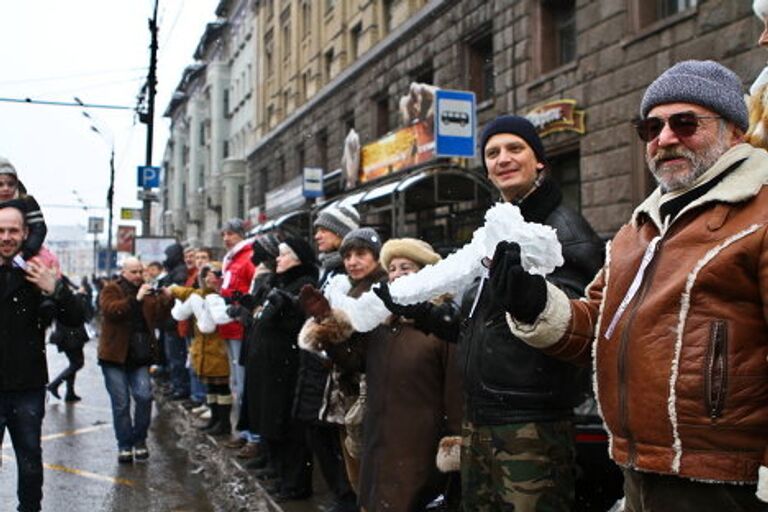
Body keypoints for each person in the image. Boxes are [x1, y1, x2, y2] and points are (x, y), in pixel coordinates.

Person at [500, 60, 768, 511]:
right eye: (651, 127)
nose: (665, 139)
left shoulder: (759, 213)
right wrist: (535, 303)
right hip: (638, 470)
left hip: (730, 483)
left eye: (685, 123)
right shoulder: (638, 228)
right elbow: (599, 325)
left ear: (734, 132)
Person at [453, 115, 604, 511]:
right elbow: (487, 317)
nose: (502, 159)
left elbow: (580, 322)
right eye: (492, 152)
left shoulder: (564, 230)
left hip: (531, 423)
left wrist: (534, 301)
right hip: (481, 416)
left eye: (514, 148)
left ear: (539, 161)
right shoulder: (499, 224)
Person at [302, 237, 464, 512]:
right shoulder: (381, 321)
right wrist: (327, 322)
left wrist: (453, 442)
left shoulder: (442, 325)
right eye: (392, 268)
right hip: (380, 437)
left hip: (419, 442)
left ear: (426, 272)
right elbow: (353, 361)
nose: (397, 274)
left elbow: (456, 393)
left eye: (406, 267)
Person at [0, 200, 84, 512]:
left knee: (30, 464)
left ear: (24, 234)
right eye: (1, 231)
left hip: (27, 386)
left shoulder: (36, 271)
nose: (6, 237)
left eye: (13, 231)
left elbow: (76, 318)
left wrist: (56, 290)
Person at [300, 227, 388, 496]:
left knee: (370, 475)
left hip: (370, 398)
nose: (352, 261)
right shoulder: (350, 290)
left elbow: (359, 358)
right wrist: (325, 326)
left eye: (361, 254)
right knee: (357, 472)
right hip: (350, 397)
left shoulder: (377, 292)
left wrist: (330, 331)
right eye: (347, 255)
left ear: (376, 257)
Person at [291, 206, 361, 512]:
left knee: (338, 439)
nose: (317, 234)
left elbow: (342, 324)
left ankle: (348, 497)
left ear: (342, 232)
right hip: (319, 367)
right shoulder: (329, 269)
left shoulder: (345, 275)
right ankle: (342, 495)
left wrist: (320, 338)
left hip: (334, 369)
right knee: (322, 436)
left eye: (325, 229)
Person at [246, 238, 318, 502]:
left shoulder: (304, 284)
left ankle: (295, 485)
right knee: (271, 422)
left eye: (284, 255)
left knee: (288, 429)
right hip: (269, 367)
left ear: (298, 259)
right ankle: (280, 476)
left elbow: (299, 324)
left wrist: (286, 308)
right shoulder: (279, 282)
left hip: (286, 368)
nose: (278, 258)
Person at [98, 257, 171, 463]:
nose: (139, 276)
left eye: (141, 271)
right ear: (124, 272)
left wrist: (166, 299)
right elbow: (112, 311)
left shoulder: (147, 291)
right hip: (114, 357)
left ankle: (140, 440)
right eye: (134, 272)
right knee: (121, 404)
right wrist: (135, 299)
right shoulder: (112, 289)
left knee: (144, 397)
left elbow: (159, 318)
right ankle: (124, 445)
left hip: (139, 356)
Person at [167, 262, 232, 436]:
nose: (209, 278)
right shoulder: (198, 294)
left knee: (222, 388)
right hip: (203, 346)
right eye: (205, 275)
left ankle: (223, 422)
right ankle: (215, 419)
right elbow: (182, 310)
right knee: (211, 387)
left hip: (220, 347)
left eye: (214, 274)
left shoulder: (224, 296)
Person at [218, 218, 258, 455]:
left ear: (241, 235)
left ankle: (248, 433)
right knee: (236, 382)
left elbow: (252, 291)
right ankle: (242, 431)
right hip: (229, 325)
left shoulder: (247, 257)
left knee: (243, 383)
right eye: (224, 234)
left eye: (230, 234)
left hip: (240, 327)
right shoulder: (232, 259)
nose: (226, 238)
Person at [47, 276, 91, 402]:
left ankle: (70, 392)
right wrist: (80, 296)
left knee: (74, 363)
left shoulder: (59, 294)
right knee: (77, 363)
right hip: (70, 335)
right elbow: (78, 312)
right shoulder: (65, 296)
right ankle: (54, 384)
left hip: (67, 335)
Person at [159, 242, 191, 400]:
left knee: (177, 357)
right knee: (174, 357)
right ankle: (177, 385)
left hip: (174, 321)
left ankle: (180, 387)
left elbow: (175, 296)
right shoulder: (175, 271)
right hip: (171, 321)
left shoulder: (179, 273)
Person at [0, 156, 47, 261]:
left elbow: (38, 229)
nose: (5, 188)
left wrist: (26, 253)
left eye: (10, 184)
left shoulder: (27, 201)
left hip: (25, 253)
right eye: (0, 184)